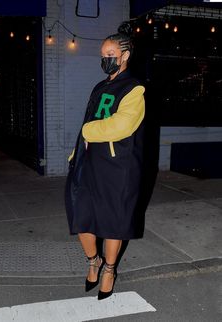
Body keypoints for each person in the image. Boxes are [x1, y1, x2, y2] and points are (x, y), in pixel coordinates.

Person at [65, 22, 147, 300]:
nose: (105, 59)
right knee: (81, 216)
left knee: (114, 220)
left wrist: (87, 132)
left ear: (124, 55)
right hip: (89, 163)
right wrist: (76, 152)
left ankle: (109, 269)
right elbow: (89, 119)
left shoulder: (135, 90)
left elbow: (122, 126)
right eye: (103, 54)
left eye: (110, 53)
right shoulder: (100, 86)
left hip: (118, 167)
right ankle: (93, 260)